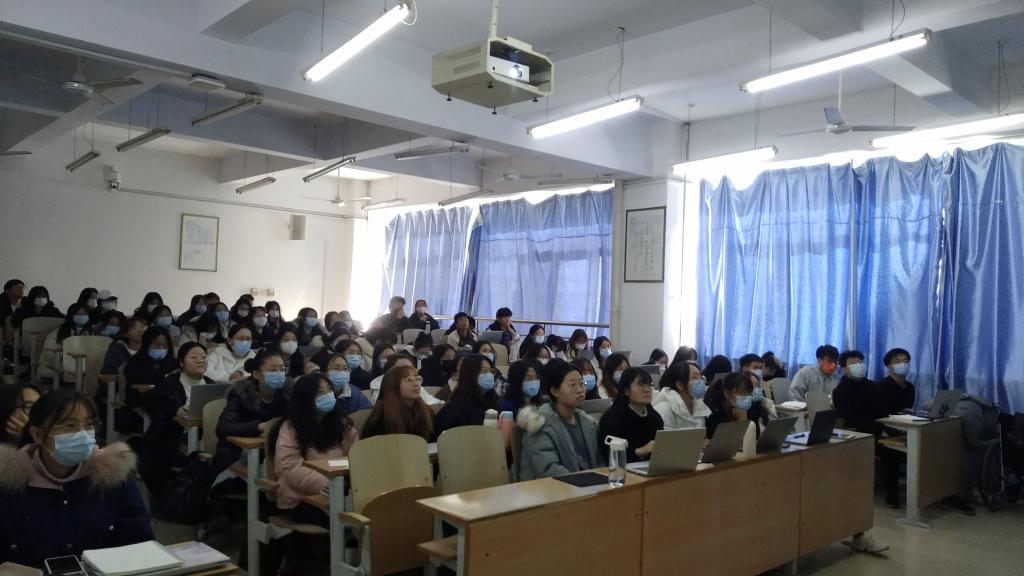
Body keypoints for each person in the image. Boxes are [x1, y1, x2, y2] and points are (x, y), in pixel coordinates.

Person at [0, 390, 153, 568]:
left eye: (89, 425)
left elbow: (140, 541)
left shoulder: (112, 477)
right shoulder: (9, 483)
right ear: (38, 435)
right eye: (69, 426)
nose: (82, 434)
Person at [274, 373, 358, 528]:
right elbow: (290, 467)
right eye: (320, 392)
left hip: (340, 490)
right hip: (302, 497)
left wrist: (348, 484)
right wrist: (329, 485)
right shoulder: (291, 428)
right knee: (345, 524)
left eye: (329, 390)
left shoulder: (341, 424)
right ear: (305, 398)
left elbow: (356, 457)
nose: (328, 395)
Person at [139, 342, 213, 498]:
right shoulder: (169, 383)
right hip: (171, 438)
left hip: (204, 436)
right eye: (194, 357)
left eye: (203, 357)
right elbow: (151, 404)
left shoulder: (211, 384)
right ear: (181, 362)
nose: (200, 360)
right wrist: (175, 411)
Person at [210, 348, 289, 484]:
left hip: (274, 451)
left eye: (282, 369)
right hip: (238, 453)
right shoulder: (241, 394)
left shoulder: (287, 394)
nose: (279, 374)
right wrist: (258, 427)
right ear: (257, 374)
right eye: (273, 370)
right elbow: (223, 427)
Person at [517, 359, 603, 480]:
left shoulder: (588, 423)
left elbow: (600, 462)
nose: (580, 389)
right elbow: (547, 469)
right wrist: (584, 482)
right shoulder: (538, 423)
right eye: (573, 385)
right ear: (554, 391)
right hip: (551, 488)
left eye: (582, 383)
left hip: (589, 485)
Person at [598, 368, 663, 463]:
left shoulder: (655, 417)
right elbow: (608, 454)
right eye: (641, 385)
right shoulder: (612, 419)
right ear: (626, 391)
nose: (647, 389)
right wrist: (638, 452)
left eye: (650, 385)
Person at [361, 364, 435, 441]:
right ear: (393, 385)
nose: (416, 384)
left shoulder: (426, 410)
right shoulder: (382, 416)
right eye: (409, 380)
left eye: (417, 379)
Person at [434, 354, 500, 434]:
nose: (489, 375)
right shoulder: (455, 408)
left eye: (491, 371)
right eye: (484, 371)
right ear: (470, 374)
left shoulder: (493, 399)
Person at [653, 360, 711, 430]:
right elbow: (665, 436)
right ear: (680, 384)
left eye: (701, 378)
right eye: (695, 378)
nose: (701, 382)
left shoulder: (698, 404)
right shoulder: (664, 409)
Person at [702, 372, 754, 438]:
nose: (746, 398)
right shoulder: (712, 410)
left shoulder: (746, 407)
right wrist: (741, 422)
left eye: (749, 394)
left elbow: (755, 436)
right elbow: (723, 439)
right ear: (727, 393)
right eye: (742, 394)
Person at [880, 348, 916, 414]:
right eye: (897, 362)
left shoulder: (910, 387)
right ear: (888, 366)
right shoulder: (881, 386)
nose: (903, 364)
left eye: (905, 361)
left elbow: (908, 409)